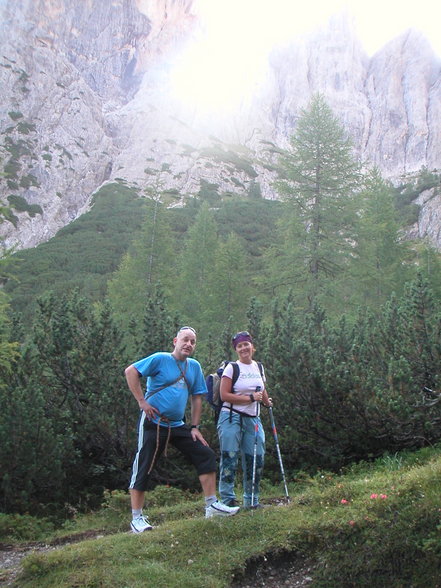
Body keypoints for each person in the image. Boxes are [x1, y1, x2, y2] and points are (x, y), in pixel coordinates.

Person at [125, 326, 239, 533]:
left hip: (178, 424)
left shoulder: (193, 366)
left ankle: (211, 505)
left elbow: (197, 397)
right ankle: (137, 518)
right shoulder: (159, 359)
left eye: (193, 342)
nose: (188, 344)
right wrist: (142, 402)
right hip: (153, 422)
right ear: (175, 341)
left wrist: (195, 427)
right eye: (185, 340)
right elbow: (131, 371)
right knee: (144, 465)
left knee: (205, 454)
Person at [218, 331, 272, 509]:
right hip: (231, 417)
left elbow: (261, 388)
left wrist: (266, 401)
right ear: (236, 350)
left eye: (246, 344)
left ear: (252, 346)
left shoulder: (259, 367)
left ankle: (251, 500)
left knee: (256, 458)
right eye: (239, 346)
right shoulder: (232, 368)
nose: (243, 348)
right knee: (229, 457)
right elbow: (224, 395)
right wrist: (250, 399)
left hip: (253, 419)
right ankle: (228, 501)